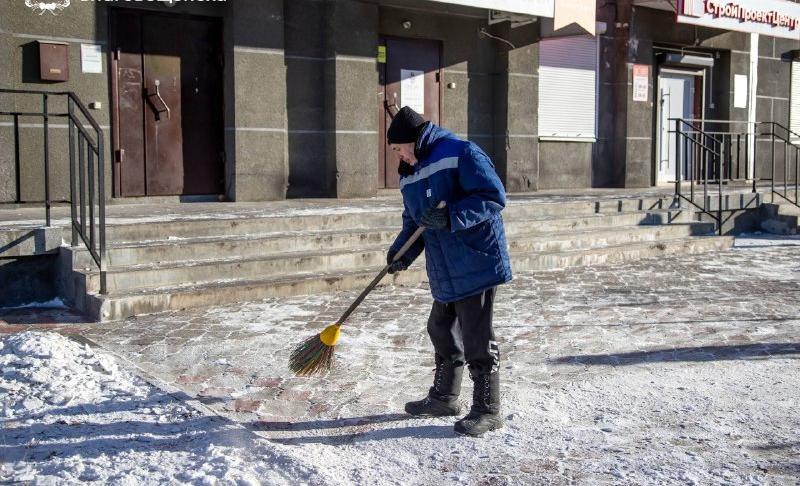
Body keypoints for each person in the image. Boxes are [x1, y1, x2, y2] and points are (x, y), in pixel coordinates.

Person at [385, 106, 512, 437]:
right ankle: (444, 398)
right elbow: (415, 222)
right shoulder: (409, 173)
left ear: (413, 140)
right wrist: (402, 253)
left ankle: (488, 410)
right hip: (444, 267)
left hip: (475, 260)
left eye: (399, 148)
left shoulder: (461, 152)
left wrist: (452, 215)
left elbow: (493, 197)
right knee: (440, 327)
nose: (398, 156)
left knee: (477, 336)